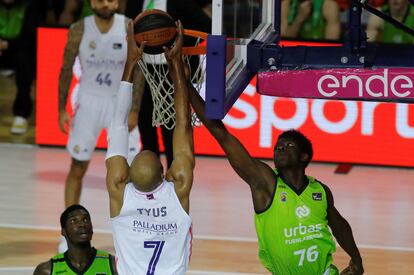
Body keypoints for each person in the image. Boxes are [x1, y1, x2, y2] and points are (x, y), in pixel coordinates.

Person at [186, 89, 364, 272]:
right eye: (278, 147)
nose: (280, 148)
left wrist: (356, 259)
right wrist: (187, 86)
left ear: (304, 156)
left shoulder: (320, 190)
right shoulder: (266, 184)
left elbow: (339, 226)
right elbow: (223, 136)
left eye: (288, 145)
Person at [105, 21, 194, 274]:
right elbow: (183, 124)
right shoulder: (179, 188)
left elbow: (118, 125)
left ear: (128, 175)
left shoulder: (119, 191)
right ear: (165, 171)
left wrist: (131, 62)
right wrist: (176, 65)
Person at [58, 0, 143, 249]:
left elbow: (139, 69)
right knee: (77, 166)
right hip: (89, 101)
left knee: (129, 173)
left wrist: (135, 108)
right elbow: (65, 69)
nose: (106, 3)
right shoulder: (79, 29)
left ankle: (130, 232)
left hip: (120, 101)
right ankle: (67, 234)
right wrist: (60, 108)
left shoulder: (129, 27)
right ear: (91, 2)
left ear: (119, 2)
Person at [123, 0, 211, 169]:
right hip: (145, 72)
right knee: (145, 125)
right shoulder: (134, 3)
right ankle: (151, 173)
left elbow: (206, 26)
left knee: (172, 128)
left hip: (172, 72)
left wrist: (177, 42)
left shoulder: (180, 2)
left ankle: (174, 173)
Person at [33, 204, 118, 275]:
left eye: (86, 219)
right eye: (74, 221)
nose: (82, 224)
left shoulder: (113, 265)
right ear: (64, 231)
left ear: (92, 229)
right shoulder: (46, 271)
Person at [0, 0, 39, 134]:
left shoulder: (30, 5)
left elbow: (32, 38)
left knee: (24, 58)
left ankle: (21, 114)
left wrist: (7, 44)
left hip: (19, 48)